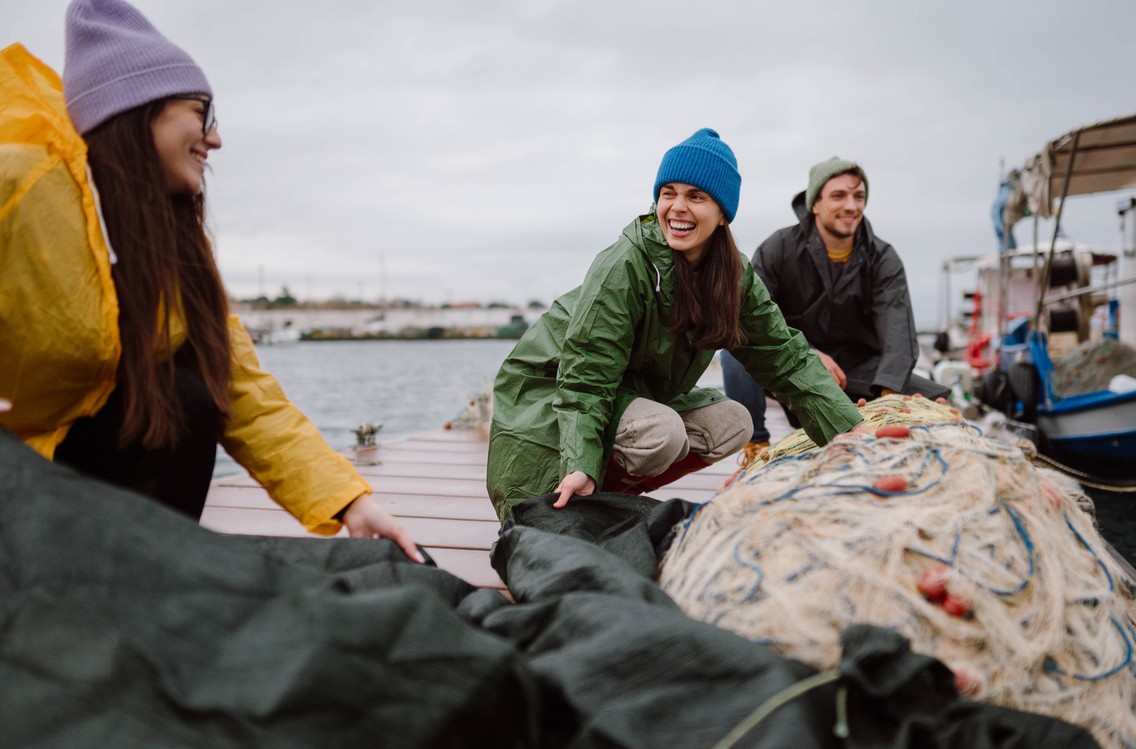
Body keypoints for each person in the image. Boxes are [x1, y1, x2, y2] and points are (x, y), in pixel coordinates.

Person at [0, 0, 419, 560]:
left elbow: (242, 388)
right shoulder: (24, 183)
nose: (215, 139)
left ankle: (140, 585)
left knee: (188, 399)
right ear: (138, 108)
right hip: (16, 469)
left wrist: (350, 502)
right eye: (202, 112)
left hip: (56, 466)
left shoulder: (170, 241)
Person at [486, 129, 868, 522]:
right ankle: (588, 492)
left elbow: (783, 357)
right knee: (660, 433)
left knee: (734, 422)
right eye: (668, 193)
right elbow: (587, 377)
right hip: (549, 392)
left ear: (723, 214)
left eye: (696, 196)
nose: (677, 207)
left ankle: (611, 494)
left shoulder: (732, 274)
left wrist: (847, 430)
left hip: (629, 393)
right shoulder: (627, 262)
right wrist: (579, 463)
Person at [722, 155, 948, 462]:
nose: (851, 206)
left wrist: (887, 404)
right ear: (815, 203)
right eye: (838, 196)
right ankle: (756, 446)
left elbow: (898, 332)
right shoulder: (779, 248)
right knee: (734, 348)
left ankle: (879, 424)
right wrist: (808, 352)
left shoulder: (883, 258)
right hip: (791, 369)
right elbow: (748, 318)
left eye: (859, 196)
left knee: (936, 400)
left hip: (852, 376)